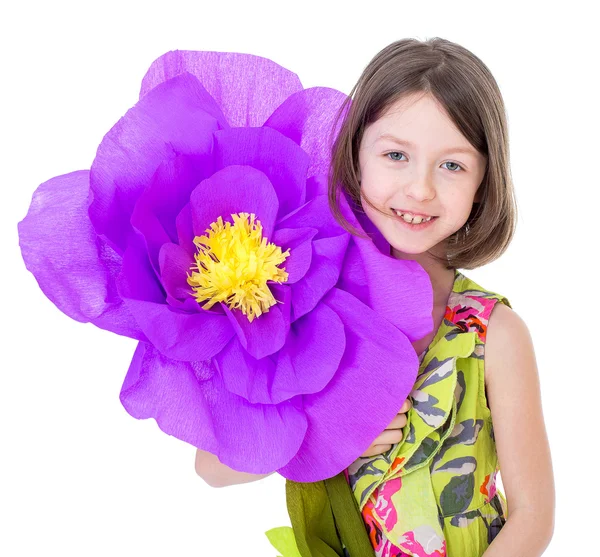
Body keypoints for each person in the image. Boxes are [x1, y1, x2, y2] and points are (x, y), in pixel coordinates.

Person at [195, 37, 555, 557]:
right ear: (354, 157)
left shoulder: (491, 334)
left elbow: (533, 517)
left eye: (452, 165)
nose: (420, 188)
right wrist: (330, 434)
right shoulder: (302, 309)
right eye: (395, 155)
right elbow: (212, 467)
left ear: (484, 182)